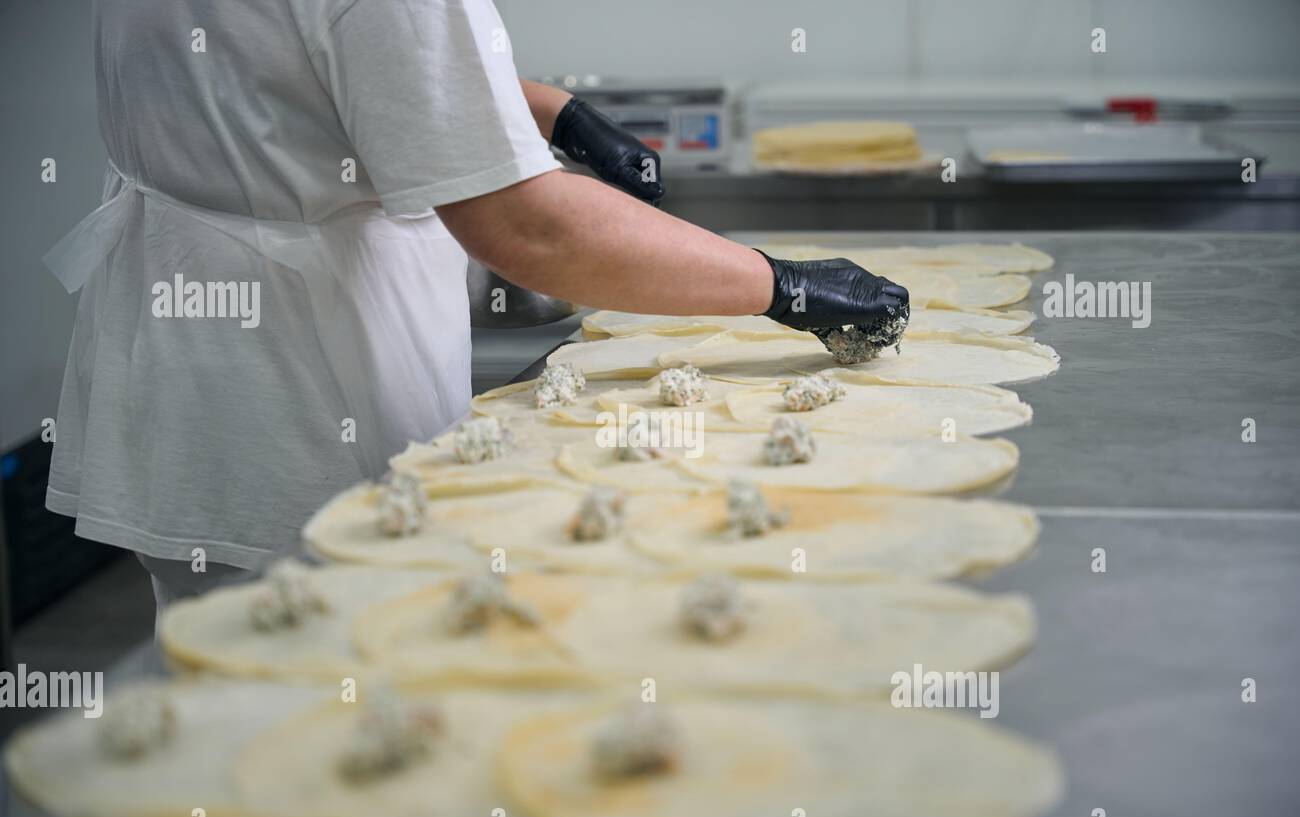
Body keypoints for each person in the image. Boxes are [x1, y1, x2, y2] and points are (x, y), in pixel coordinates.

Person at [44, 0, 906, 617]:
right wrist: (781, 284)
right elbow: (525, 226)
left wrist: (550, 111)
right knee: (326, 668)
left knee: (215, 661)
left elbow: (302, 73)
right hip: (296, 392)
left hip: (182, 350)